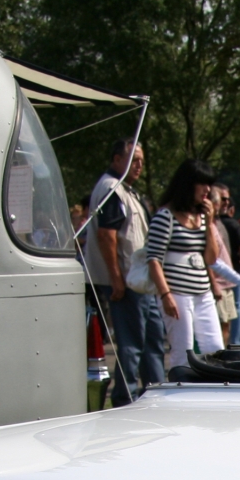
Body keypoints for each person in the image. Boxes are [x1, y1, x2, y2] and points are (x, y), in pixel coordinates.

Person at [83, 139, 161, 406]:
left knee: (152, 342)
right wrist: (116, 278)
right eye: (133, 159)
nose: (139, 165)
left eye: (141, 159)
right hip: (127, 282)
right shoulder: (111, 188)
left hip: (139, 282)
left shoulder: (126, 190)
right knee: (131, 346)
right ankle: (124, 399)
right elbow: (107, 236)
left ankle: (156, 394)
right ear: (117, 159)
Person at [144, 159, 225, 369]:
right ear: (188, 184)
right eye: (202, 184)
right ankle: (180, 392)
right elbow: (153, 259)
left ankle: (211, 392)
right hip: (177, 294)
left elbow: (211, 259)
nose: (207, 190)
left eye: (209, 184)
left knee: (215, 348)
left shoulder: (202, 217)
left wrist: (209, 223)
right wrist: (165, 294)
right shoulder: (166, 216)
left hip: (202, 293)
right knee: (183, 351)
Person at [213, 183, 240, 344]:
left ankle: (231, 350)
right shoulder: (210, 224)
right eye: (223, 199)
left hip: (229, 279)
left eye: (228, 199)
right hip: (218, 283)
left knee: (227, 323)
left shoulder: (219, 223)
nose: (226, 202)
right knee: (219, 327)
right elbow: (211, 260)